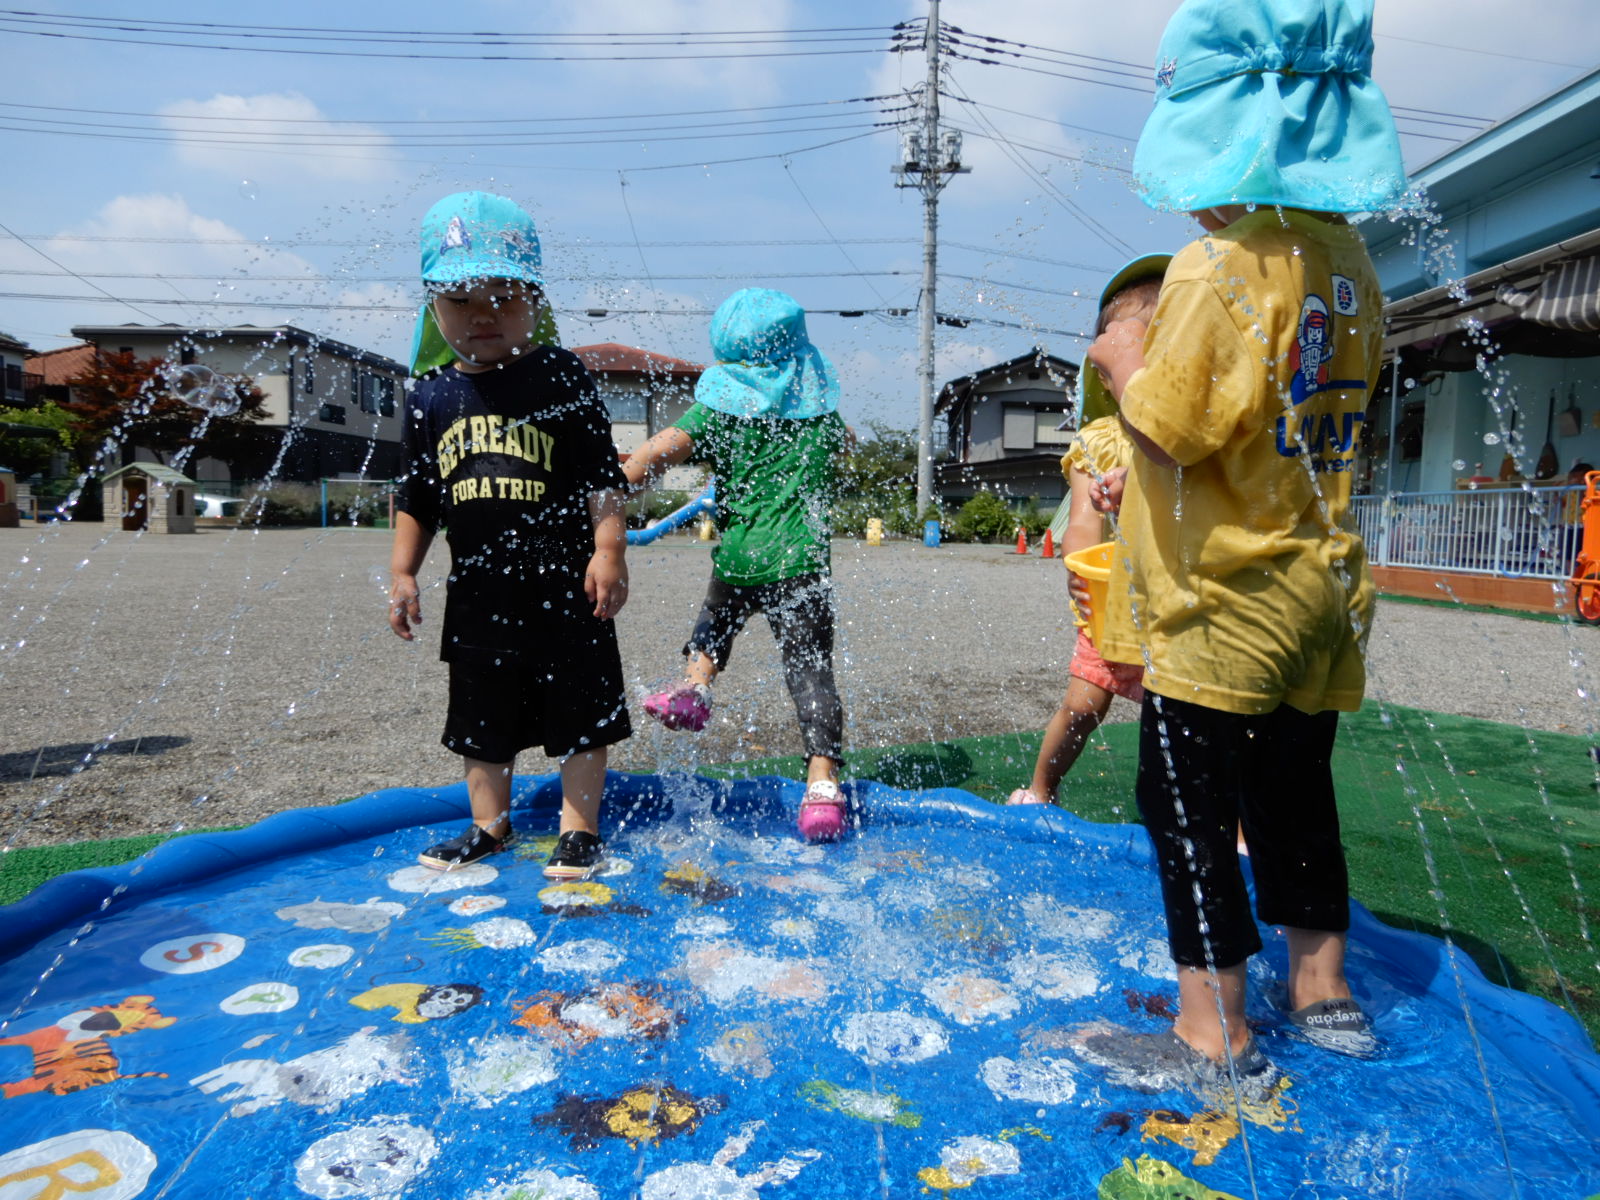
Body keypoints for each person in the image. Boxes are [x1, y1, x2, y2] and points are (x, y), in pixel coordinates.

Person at [1074, 0, 1404, 1100]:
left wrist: (1124, 357)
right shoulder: (1348, 256)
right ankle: (1324, 995)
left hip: (1221, 603)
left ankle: (1212, 1033)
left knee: (1188, 810)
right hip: (1323, 592)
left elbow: (1168, 428)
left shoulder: (1220, 265)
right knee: (1295, 797)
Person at [388, 191, 631, 880]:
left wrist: (608, 549)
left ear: (536, 301)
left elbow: (600, 474)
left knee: (581, 712)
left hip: (565, 588)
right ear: (433, 309)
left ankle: (579, 829)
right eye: (461, 298)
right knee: (479, 720)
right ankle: (487, 827)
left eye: (504, 293)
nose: (484, 312)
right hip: (478, 595)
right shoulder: (429, 396)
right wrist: (404, 572)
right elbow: (418, 496)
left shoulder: (559, 375)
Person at [623, 288, 850, 842]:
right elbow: (839, 462)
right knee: (810, 668)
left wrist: (615, 482)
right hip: (800, 560)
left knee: (714, 626)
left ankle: (696, 687)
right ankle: (822, 785)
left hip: (740, 556)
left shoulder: (717, 413)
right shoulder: (823, 420)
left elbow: (649, 460)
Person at [1008, 255, 1168, 807]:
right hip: (1111, 601)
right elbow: (1082, 523)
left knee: (1188, 724)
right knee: (1082, 705)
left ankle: (1231, 831)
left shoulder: (1193, 431)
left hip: (1176, 605)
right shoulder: (1098, 441)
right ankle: (1040, 787)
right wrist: (1079, 575)